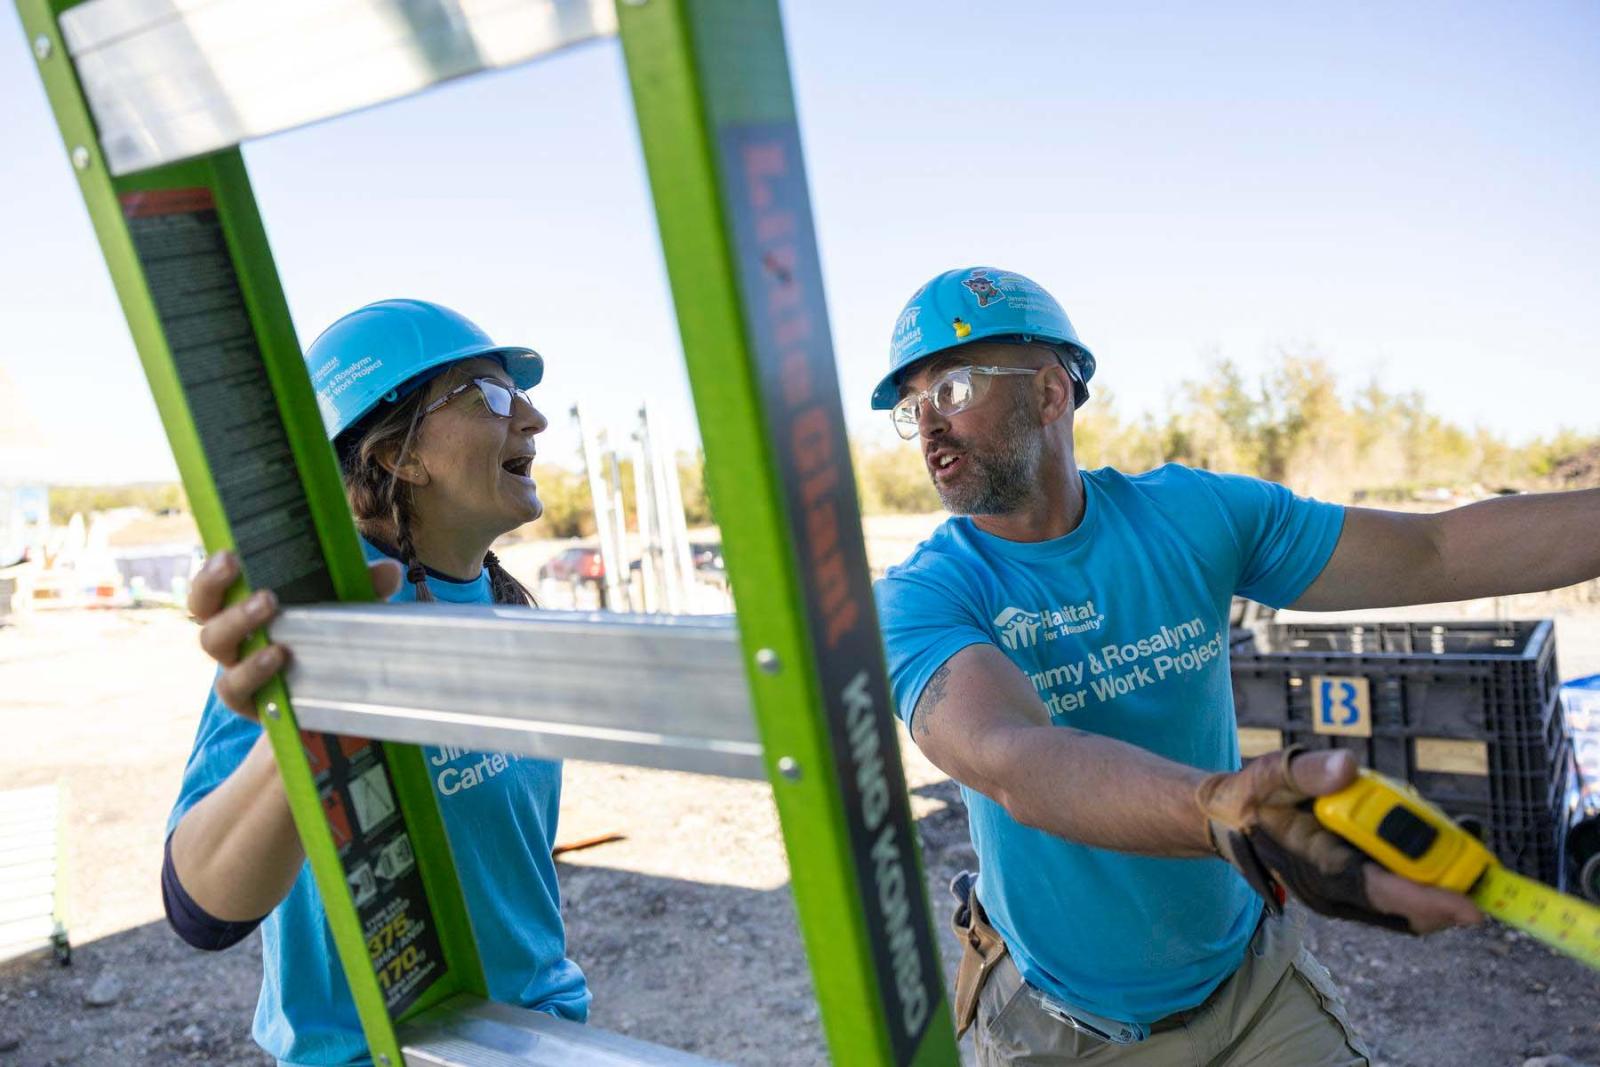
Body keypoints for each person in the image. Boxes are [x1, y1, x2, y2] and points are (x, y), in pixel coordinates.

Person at [871, 267, 1598, 1065]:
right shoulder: (925, 595)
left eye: (954, 388)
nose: (927, 427)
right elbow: (1014, 760)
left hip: (1256, 990)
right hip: (1061, 1024)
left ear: (1050, 394)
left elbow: (1436, 550)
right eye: (913, 406)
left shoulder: (1191, 517)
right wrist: (1220, 809)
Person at [162, 299, 589, 1066]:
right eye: (491, 393)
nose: (533, 419)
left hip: (541, 1034)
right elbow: (200, 907)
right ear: (400, 456)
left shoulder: (504, 604)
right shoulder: (317, 611)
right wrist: (315, 708)